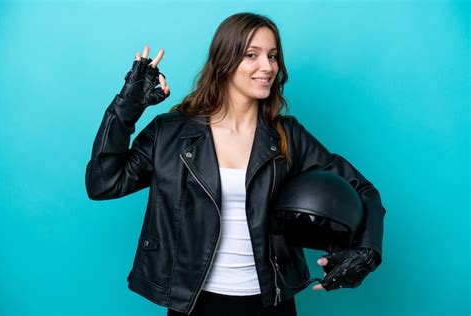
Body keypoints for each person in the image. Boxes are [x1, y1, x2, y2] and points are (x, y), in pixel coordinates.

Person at [85, 12, 386, 316]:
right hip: (194, 303)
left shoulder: (287, 135)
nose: (267, 67)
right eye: (252, 55)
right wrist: (127, 106)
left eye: (273, 56)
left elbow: (363, 190)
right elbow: (103, 183)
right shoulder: (170, 133)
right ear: (224, 61)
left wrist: (366, 252)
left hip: (272, 302)